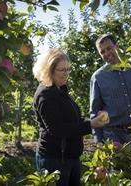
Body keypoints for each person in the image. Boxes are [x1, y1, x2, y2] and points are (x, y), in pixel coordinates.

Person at [32, 48, 109, 186]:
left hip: (69, 157)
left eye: (68, 69)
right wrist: (91, 125)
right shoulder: (46, 95)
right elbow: (57, 129)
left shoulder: (60, 89)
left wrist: (92, 121)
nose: (66, 74)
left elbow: (72, 120)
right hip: (55, 159)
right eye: (62, 70)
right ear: (49, 70)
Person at [90, 34, 131, 145]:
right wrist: (98, 141)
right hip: (113, 135)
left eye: (109, 48)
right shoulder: (98, 77)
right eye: (102, 52)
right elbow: (95, 111)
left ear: (117, 46)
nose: (107, 53)